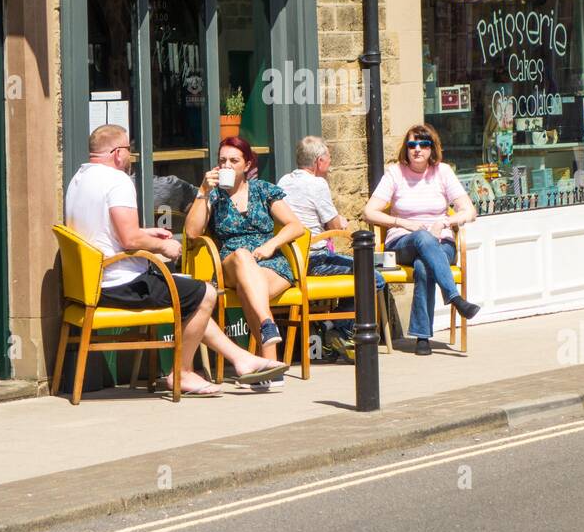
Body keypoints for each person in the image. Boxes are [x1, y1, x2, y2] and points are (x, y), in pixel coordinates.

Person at [65, 124, 287, 397]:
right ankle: (182, 373)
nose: (131, 157)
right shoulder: (117, 181)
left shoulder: (79, 178)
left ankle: (242, 359)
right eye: (129, 151)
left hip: (93, 281)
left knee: (192, 294)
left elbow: (101, 229)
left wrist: (144, 232)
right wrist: (164, 246)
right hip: (121, 282)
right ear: (118, 153)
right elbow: (130, 241)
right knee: (204, 293)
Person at [185, 136, 306, 390]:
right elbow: (192, 233)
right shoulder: (213, 195)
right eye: (222, 161)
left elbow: (296, 226)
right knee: (242, 256)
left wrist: (271, 245)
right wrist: (202, 191)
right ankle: (267, 325)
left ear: (247, 163)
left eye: (233, 160)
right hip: (231, 262)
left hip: (269, 262)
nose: (226, 165)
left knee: (249, 287)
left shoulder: (264, 190)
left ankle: (270, 369)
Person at [363, 122, 480, 356]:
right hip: (404, 242)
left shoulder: (443, 172)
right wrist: (403, 223)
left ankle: (422, 337)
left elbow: (470, 211)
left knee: (424, 266)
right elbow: (369, 212)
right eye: (412, 144)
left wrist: (444, 222)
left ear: (432, 148)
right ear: (406, 149)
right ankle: (454, 297)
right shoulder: (395, 173)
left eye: (424, 144)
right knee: (422, 238)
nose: (418, 149)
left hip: (441, 243)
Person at [278, 135, 385, 362]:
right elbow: (333, 225)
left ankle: (332, 329)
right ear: (318, 161)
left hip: (291, 260)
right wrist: (342, 222)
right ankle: (342, 330)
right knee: (374, 277)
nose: (331, 163)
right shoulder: (317, 184)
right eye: (328, 158)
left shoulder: (283, 181)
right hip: (315, 260)